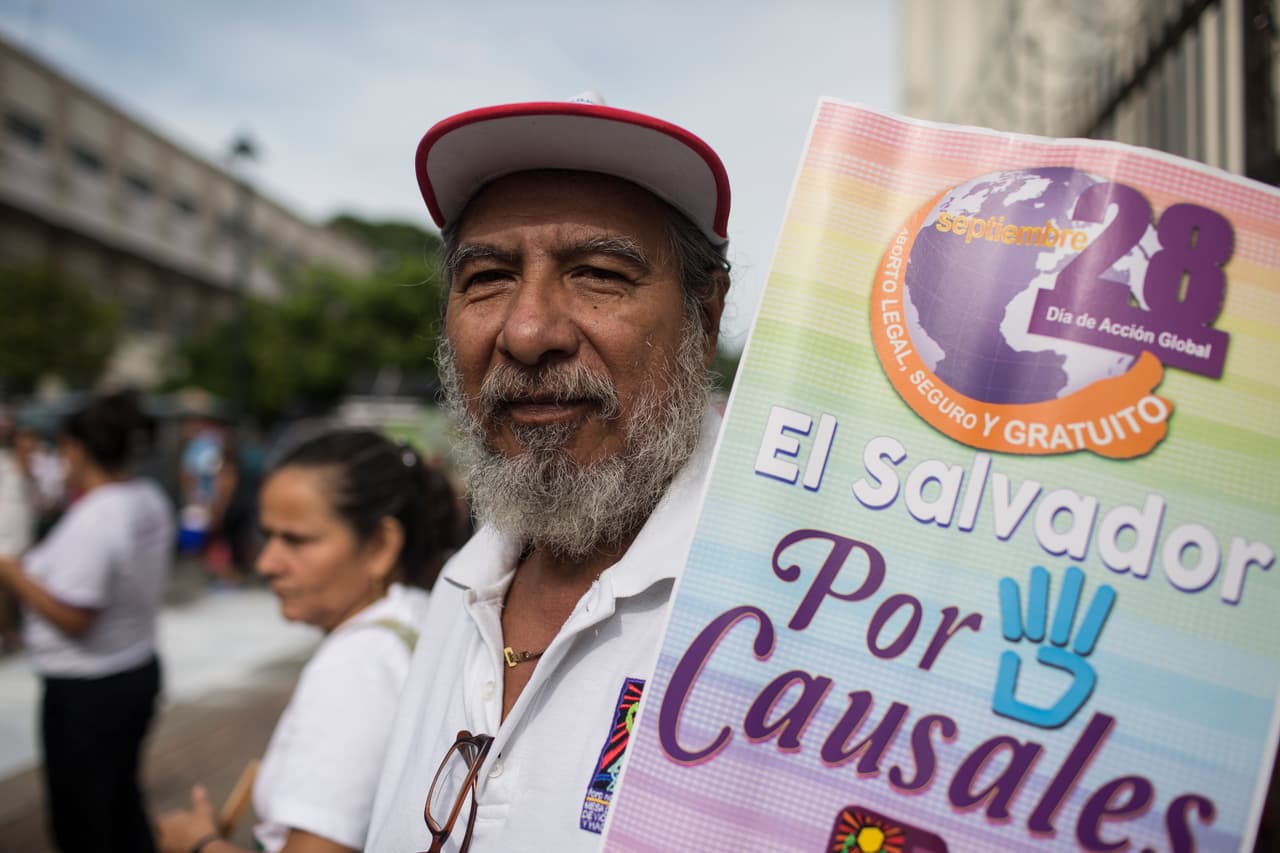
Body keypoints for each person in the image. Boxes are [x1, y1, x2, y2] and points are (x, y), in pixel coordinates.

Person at [365, 97, 732, 851]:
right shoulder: (464, 586)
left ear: (707, 313)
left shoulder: (789, 609)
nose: (528, 332)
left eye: (599, 274)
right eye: (488, 277)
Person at [155, 427, 467, 853]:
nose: (267, 563)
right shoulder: (418, 617)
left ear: (380, 545)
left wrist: (197, 844)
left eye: (296, 540)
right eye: (268, 536)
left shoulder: (359, 664)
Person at [0, 390, 175, 853]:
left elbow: (74, 617)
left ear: (77, 449)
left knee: (83, 822)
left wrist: (12, 571)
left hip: (88, 689)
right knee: (120, 803)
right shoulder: (147, 497)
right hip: (132, 666)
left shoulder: (98, 518)